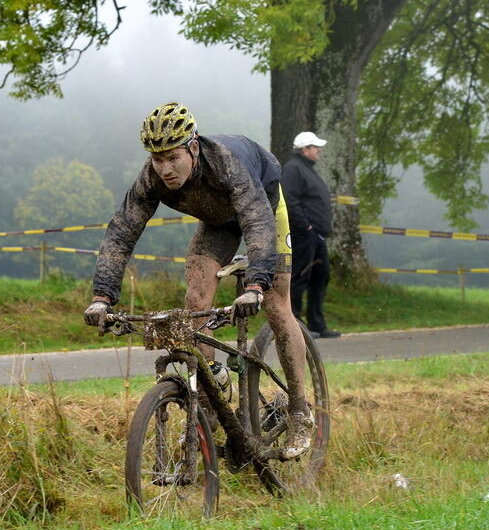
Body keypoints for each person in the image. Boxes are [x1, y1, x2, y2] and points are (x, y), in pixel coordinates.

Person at [83, 102, 313, 459]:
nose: (165, 169)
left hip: (262, 206)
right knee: (195, 301)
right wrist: (102, 296)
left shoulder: (228, 164)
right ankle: (209, 395)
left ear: (192, 148)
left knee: (274, 302)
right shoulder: (151, 177)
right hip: (217, 221)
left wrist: (255, 284)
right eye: (157, 160)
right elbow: (121, 232)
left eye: (173, 157)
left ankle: (300, 410)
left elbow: (256, 224)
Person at [281, 131, 341, 339]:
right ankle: (295, 323)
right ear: (306, 149)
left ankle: (317, 324)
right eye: (316, 147)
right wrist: (305, 227)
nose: (319, 151)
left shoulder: (307, 169)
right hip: (305, 235)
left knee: (320, 277)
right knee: (300, 276)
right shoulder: (294, 169)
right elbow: (289, 199)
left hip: (317, 236)